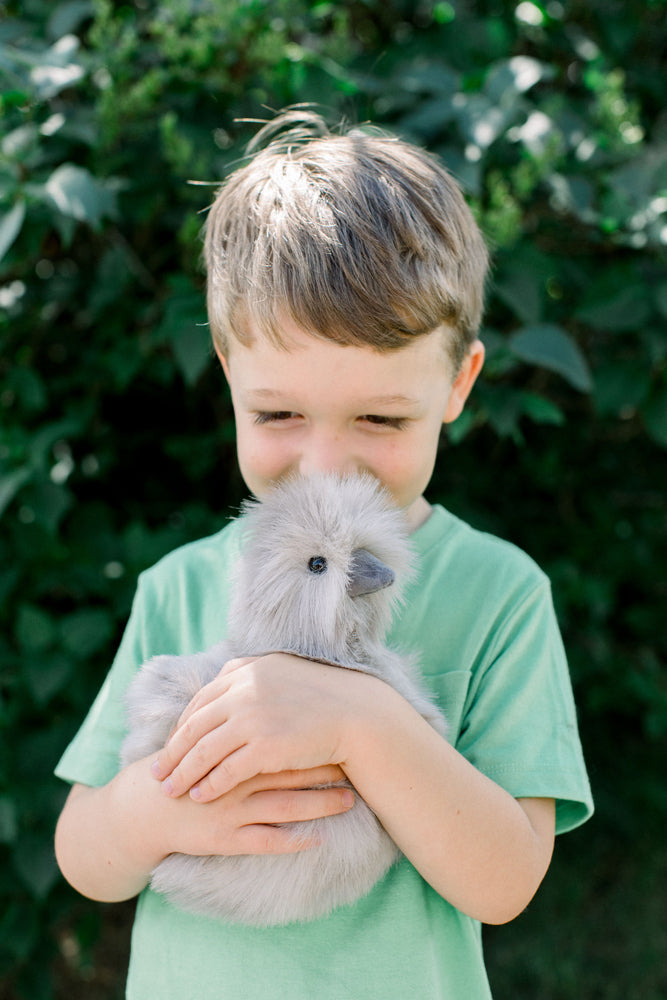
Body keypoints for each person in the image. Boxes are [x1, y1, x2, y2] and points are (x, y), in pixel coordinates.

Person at [54, 111, 593, 999]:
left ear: (456, 386)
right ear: (228, 371)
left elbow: (504, 884)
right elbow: (85, 856)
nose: (325, 464)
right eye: (277, 415)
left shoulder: (498, 592)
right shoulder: (180, 583)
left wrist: (360, 722)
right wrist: (153, 808)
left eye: (380, 419)